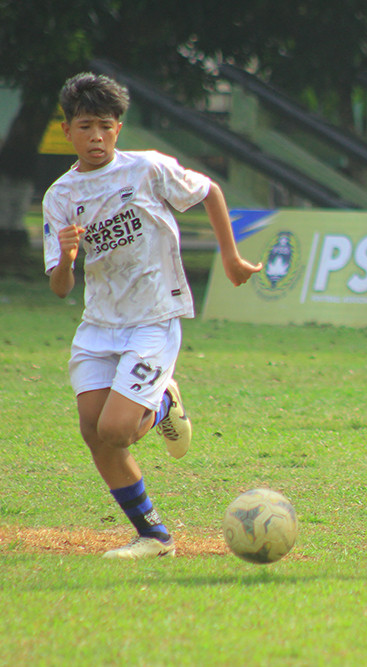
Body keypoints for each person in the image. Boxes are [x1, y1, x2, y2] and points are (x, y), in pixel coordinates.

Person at [43, 72, 262, 559]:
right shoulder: (59, 197)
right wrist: (65, 258)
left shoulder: (147, 169)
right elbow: (60, 289)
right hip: (98, 325)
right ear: (67, 131)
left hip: (153, 317)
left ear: (118, 128)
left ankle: (162, 402)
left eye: (104, 125)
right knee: (93, 432)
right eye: (84, 126)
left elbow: (209, 192)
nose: (95, 136)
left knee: (117, 430)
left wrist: (229, 257)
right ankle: (154, 537)